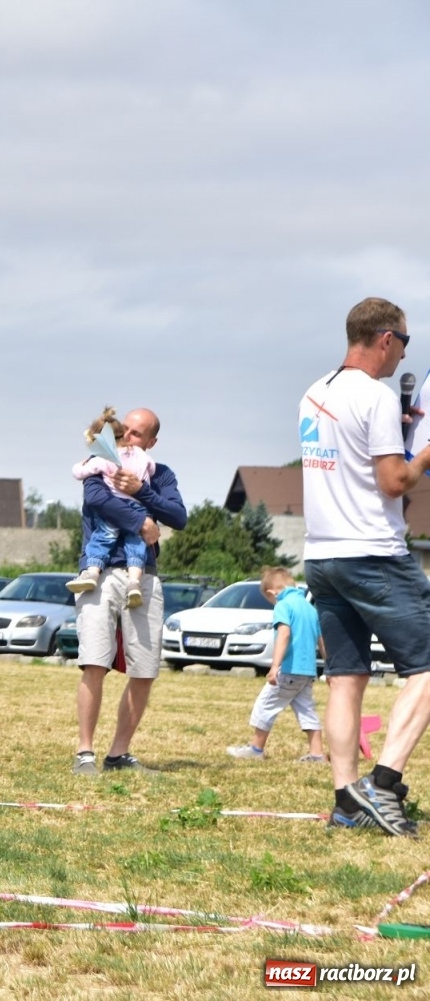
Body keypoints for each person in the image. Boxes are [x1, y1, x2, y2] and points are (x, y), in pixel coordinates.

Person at [301, 297, 430, 837]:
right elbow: (394, 484)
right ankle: (384, 783)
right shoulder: (374, 396)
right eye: (403, 342)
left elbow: (351, 458)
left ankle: (346, 802)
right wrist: (423, 453)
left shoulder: (314, 392)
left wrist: (393, 439)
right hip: (372, 552)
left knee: (346, 680)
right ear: (384, 338)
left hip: (321, 555)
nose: (404, 354)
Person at [71, 407, 188, 776]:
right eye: (124, 431)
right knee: (94, 662)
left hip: (145, 576)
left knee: (144, 668)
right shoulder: (99, 461)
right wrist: (141, 521)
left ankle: (118, 754)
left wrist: (143, 494)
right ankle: (84, 752)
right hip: (100, 573)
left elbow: (179, 516)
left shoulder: (159, 474)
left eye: (137, 434)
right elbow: (97, 499)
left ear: (151, 441)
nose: (127, 438)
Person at [225, 567, 325, 762]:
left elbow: (284, 634)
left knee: (265, 705)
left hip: (288, 670)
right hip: (307, 672)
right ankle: (317, 753)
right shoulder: (309, 608)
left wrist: (274, 666)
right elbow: (321, 639)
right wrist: (329, 665)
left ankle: (256, 748)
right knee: (306, 709)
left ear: (272, 593)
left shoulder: (283, 605)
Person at [67, 407, 156, 609]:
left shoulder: (102, 459)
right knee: (135, 543)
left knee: (103, 538)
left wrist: (82, 463)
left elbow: (78, 472)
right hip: (138, 507)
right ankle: (134, 583)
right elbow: (152, 467)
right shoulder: (141, 454)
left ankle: (92, 572)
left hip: (114, 509)